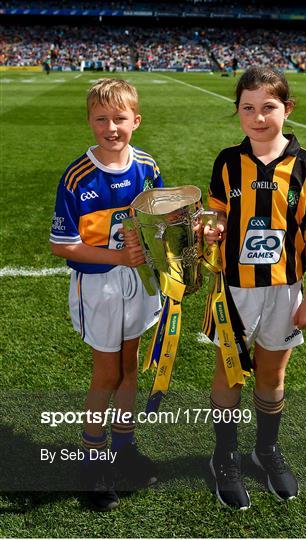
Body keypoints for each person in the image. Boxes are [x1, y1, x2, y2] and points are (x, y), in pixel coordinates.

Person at [202, 66, 306, 510]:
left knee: (272, 374)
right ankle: (224, 456)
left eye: (269, 107)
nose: (258, 117)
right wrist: (214, 229)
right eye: (248, 108)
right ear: (238, 112)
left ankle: (265, 450)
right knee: (228, 372)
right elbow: (220, 215)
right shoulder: (227, 162)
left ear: (288, 108)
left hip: (285, 290)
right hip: (234, 292)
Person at [49, 78, 163, 511]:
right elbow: (62, 243)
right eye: (102, 119)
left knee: (130, 368)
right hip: (99, 284)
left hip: (139, 283)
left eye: (120, 118)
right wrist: (117, 258)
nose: (111, 127)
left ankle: (123, 447)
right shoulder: (78, 175)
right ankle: (92, 458)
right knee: (107, 375)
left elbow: (160, 217)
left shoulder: (148, 166)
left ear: (136, 119)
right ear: (90, 121)